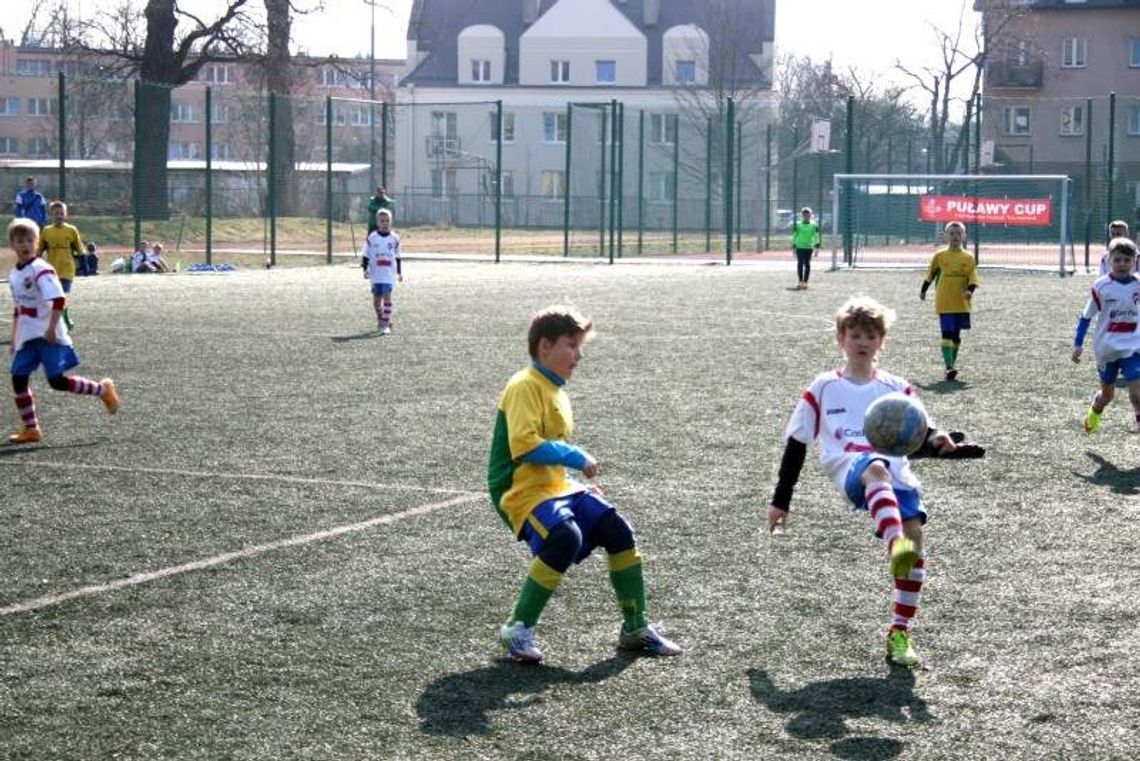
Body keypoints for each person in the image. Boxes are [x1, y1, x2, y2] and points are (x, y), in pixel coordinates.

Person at [766, 296, 983, 667]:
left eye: (870, 335)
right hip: (851, 468)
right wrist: (781, 499)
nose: (862, 342)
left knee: (915, 541)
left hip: (896, 474)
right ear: (841, 338)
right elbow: (797, 443)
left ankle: (900, 633)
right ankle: (892, 539)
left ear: (881, 341)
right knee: (876, 468)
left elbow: (917, 438)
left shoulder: (897, 387)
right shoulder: (823, 387)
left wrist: (940, 443)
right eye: (854, 335)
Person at [487, 305, 684, 664]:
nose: (579, 355)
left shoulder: (555, 389)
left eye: (580, 347)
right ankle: (517, 628)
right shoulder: (524, 386)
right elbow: (525, 446)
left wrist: (574, 486)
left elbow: (547, 462)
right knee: (564, 537)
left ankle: (635, 628)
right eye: (571, 345)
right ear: (544, 346)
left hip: (553, 488)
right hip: (519, 492)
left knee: (617, 529)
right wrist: (577, 457)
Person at [6, 218, 120, 444]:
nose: (25, 245)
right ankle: (32, 429)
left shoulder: (41, 269)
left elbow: (59, 299)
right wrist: (14, 336)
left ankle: (102, 390)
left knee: (56, 382)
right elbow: (19, 308)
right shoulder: (14, 274)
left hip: (47, 335)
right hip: (28, 337)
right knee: (18, 378)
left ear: (36, 242)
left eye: (30, 240)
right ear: (12, 245)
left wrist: (51, 328)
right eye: (20, 241)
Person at [1072, 237, 1140, 434]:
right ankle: (1095, 409)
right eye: (1118, 260)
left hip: (1133, 347)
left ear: (1134, 261)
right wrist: (1078, 344)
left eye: (1127, 260)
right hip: (1107, 349)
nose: (1122, 264)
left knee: (1137, 395)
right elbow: (1086, 317)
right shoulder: (1101, 286)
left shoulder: (1138, 284)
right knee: (1107, 396)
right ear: (1109, 260)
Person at [920, 220, 979, 381]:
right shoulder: (939, 256)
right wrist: (923, 290)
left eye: (958, 233)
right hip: (944, 302)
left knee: (956, 336)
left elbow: (972, 278)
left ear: (964, 236)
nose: (955, 236)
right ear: (945, 236)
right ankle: (949, 367)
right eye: (952, 233)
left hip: (961, 303)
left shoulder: (968, 258)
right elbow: (930, 275)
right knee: (946, 334)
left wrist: (969, 291)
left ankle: (951, 363)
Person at [37, 200, 84, 331]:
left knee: (60, 296)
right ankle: (59, 321)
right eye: (56, 213)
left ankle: (65, 319)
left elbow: (80, 250)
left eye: (61, 213)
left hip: (67, 269)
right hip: (51, 270)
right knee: (53, 298)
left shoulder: (71, 230)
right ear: (51, 215)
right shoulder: (46, 231)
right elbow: (40, 250)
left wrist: (83, 266)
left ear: (66, 215)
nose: (59, 216)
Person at [360, 208, 403, 334]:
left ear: (391, 222)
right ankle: (383, 319)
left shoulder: (395, 238)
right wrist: (365, 269)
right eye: (382, 221)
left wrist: (399, 272)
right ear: (377, 223)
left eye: (387, 221)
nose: (385, 223)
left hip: (388, 274)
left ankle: (385, 325)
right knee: (376, 302)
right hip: (375, 274)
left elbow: (398, 256)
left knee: (387, 298)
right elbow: (365, 255)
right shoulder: (372, 238)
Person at [791, 206, 821, 290]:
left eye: (808, 215)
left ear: (810, 215)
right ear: (802, 215)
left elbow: (816, 236)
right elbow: (794, 235)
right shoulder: (798, 225)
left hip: (809, 247)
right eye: (804, 215)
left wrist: (817, 247)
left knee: (807, 264)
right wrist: (793, 246)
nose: (806, 216)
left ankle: (805, 282)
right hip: (799, 247)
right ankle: (800, 281)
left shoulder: (813, 225)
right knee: (800, 263)